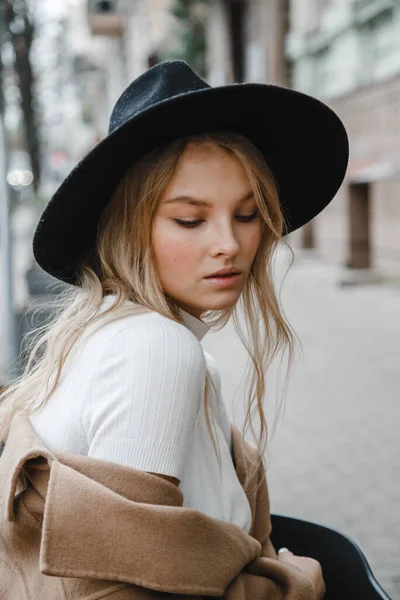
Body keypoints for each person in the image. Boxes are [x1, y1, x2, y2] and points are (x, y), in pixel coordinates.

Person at [0, 61, 348, 600]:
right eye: (190, 219)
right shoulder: (152, 348)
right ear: (127, 227)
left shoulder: (120, 336)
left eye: (248, 215)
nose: (229, 244)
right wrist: (293, 587)